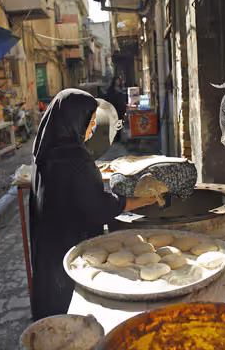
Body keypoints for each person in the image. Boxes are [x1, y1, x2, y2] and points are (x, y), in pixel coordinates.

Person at [29, 89, 156, 321]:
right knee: (73, 308)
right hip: (70, 249)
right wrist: (140, 201)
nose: (92, 129)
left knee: (53, 307)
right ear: (75, 120)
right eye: (91, 122)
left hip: (48, 247)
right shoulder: (75, 158)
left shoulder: (45, 150)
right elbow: (99, 207)